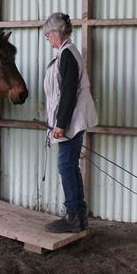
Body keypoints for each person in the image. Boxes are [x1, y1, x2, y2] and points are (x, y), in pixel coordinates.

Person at [43, 12, 98, 233]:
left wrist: (61, 123)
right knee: (70, 166)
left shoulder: (67, 55)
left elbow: (68, 93)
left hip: (72, 120)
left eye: (48, 35)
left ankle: (73, 216)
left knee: (65, 166)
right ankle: (79, 215)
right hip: (72, 119)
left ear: (56, 33)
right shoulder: (65, 54)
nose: (47, 39)